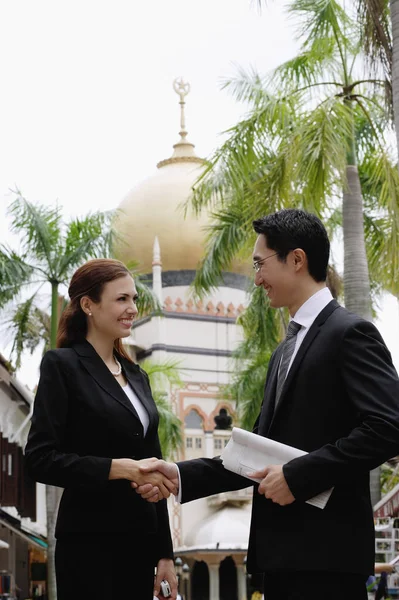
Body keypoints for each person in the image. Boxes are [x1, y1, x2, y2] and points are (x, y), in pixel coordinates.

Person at [135, 209, 399, 600]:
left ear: (296, 260)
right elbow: (255, 451)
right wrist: (179, 474)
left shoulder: (350, 333)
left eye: (260, 264)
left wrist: (298, 476)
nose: (255, 278)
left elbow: (389, 427)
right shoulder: (285, 350)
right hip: (282, 558)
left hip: (327, 559)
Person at [24, 258, 178, 600]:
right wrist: (117, 468)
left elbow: (155, 466)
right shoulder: (61, 366)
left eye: (134, 299)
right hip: (88, 546)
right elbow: (39, 458)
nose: (133, 308)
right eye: (122, 299)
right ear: (88, 305)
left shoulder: (138, 376)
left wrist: (165, 555)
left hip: (138, 544)